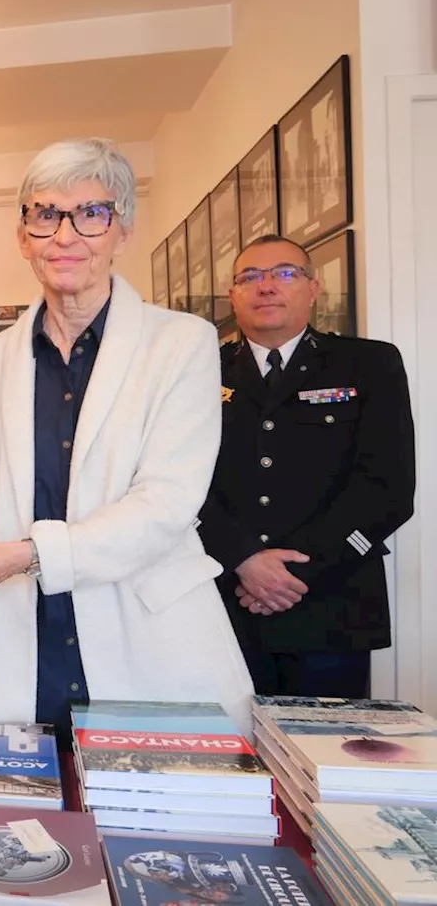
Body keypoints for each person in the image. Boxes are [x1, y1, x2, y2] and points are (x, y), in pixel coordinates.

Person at [0, 138, 255, 737]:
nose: (65, 236)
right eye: (45, 214)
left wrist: (24, 554)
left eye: (91, 213)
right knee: (30, 823)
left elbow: (166, 504)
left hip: (146, 633)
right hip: (23, 635)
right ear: (23, 234)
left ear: (123, 229)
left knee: (153, 821)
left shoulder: (182, 344)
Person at [198, 234, 415, 698]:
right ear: (233, 295)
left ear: (314, 288)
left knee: (324, 761)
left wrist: (292, 573)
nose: (266, 286)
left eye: (284, 273)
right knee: (233, 759)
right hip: (225, 602)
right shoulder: (198, 372)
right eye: (249, 277)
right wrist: (243, 560)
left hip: (332, 603)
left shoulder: (369, 363)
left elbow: (388, 488)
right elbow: (181, 484)